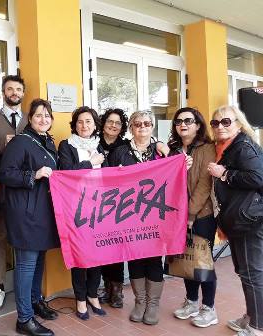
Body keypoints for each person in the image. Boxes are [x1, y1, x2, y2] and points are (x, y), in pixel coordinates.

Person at [0, 99, 60, 336]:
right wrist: (33, 174)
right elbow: (5, 174)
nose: (43, 119)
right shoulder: (20, 142)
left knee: (39, 261)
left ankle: (35, 302)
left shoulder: (47, 141)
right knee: (26, 265)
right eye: (38, 116)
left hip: (43, 212)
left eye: (47, 116)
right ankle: (24, 318)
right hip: (25, 213)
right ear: (30, 119)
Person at [207, 105, 263, 336]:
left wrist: (225, 174)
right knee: (245, 272)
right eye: (216, 123)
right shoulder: (227, 147)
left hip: (250, 220)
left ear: (239, 124)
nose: (220, 126)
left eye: (226, 122)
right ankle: (252, 316)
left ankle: (257, 326)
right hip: (240, 219)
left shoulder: (243, 146)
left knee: (253, 273)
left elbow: (258, 177)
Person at [108, 110, 164, 325]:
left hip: (156, 214)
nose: (142, 127)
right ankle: (139, 302)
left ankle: (153, 304)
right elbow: (107, 183)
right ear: (131, 127)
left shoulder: (161, 151)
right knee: (135, 258)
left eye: (147, 123)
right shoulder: (120, 152)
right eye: (137, 123)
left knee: (154, 259)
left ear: (153, 127)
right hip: (129, 215)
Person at [168, 107, 218, 328]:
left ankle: (209, 308)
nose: (183, 124)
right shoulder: (173, 149)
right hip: (177, 216)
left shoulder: (208, 148)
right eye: (179, 121)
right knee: (186, 259)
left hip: (202, 215)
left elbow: (204, 185)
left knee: (203, 262)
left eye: (188, 120)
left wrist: (189, 215)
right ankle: (191, 302)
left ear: (198, 125)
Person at [0, 75, 28, 312]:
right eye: (10, 88)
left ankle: (26, 287)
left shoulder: (31, 119)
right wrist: (4, 147)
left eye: (18, 89)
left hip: (25, 190)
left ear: (23, 93)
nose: (14, 92)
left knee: (23, 238)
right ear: (3, 92)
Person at [58, 106, 107, 320]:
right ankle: (80, 299)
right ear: (74, 124)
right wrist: (90, 163)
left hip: (102, 207)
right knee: (80, 253)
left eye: (88, 121)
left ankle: (93, 294)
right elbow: (67, 172)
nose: (84, 125)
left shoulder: (102, 145)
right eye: (80, 122)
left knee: (98, 253)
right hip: (76, 207)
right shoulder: (66, 145)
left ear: (95, 124)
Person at [98, 108, 129, 308]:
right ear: (103, 123)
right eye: (110, 121)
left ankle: (116, 291)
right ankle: (106, 286)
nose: (113, 125)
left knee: (116, 248)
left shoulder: (126, 146)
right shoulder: (93, 142)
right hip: (97, 203)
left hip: (118, 204)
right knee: (100, 247)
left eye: (118, 123)